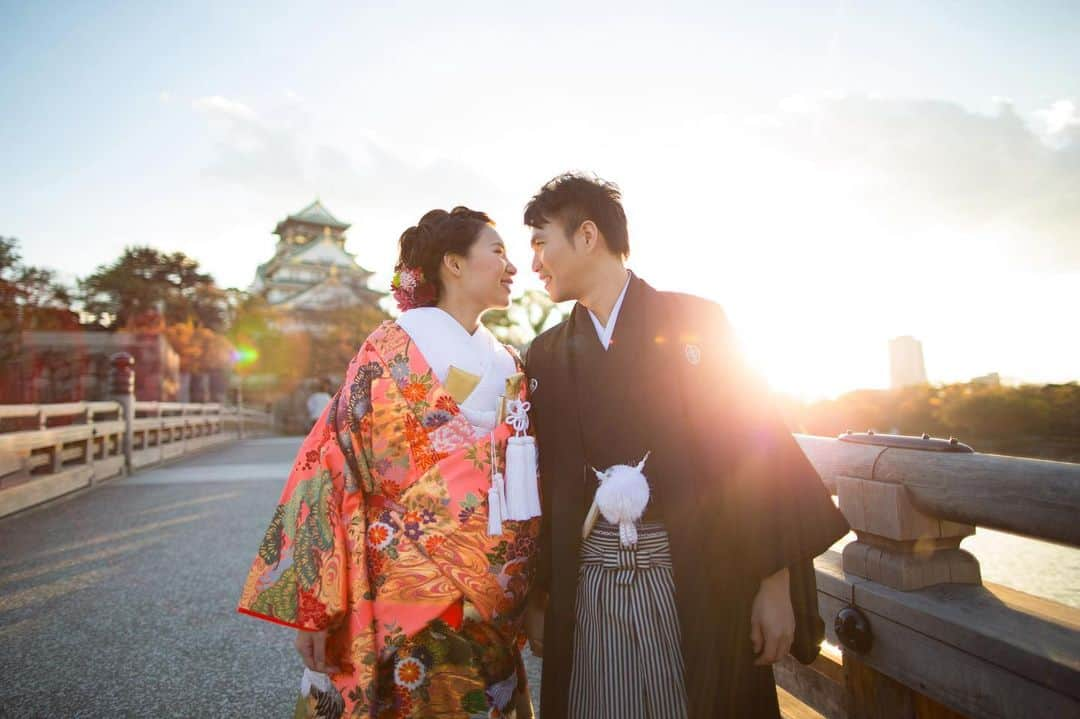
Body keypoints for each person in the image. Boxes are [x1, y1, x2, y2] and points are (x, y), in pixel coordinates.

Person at [521, 173, 850, 719]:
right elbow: (547, 483)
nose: (534, 264)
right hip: (591, 581)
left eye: (541, 243)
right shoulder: (547, 354)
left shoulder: (696, 322)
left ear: (586, 236)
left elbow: (754, 448)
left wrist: (774, 584)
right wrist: (540, 595)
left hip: (700, 573)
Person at [239, 207, 542, 718]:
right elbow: (330, 469)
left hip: (493, 597)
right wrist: (316, 605)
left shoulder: (509, 361)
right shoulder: (386, 350)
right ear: (454, 264)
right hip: (401, 592)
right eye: (498, 252)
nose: (514, 266)